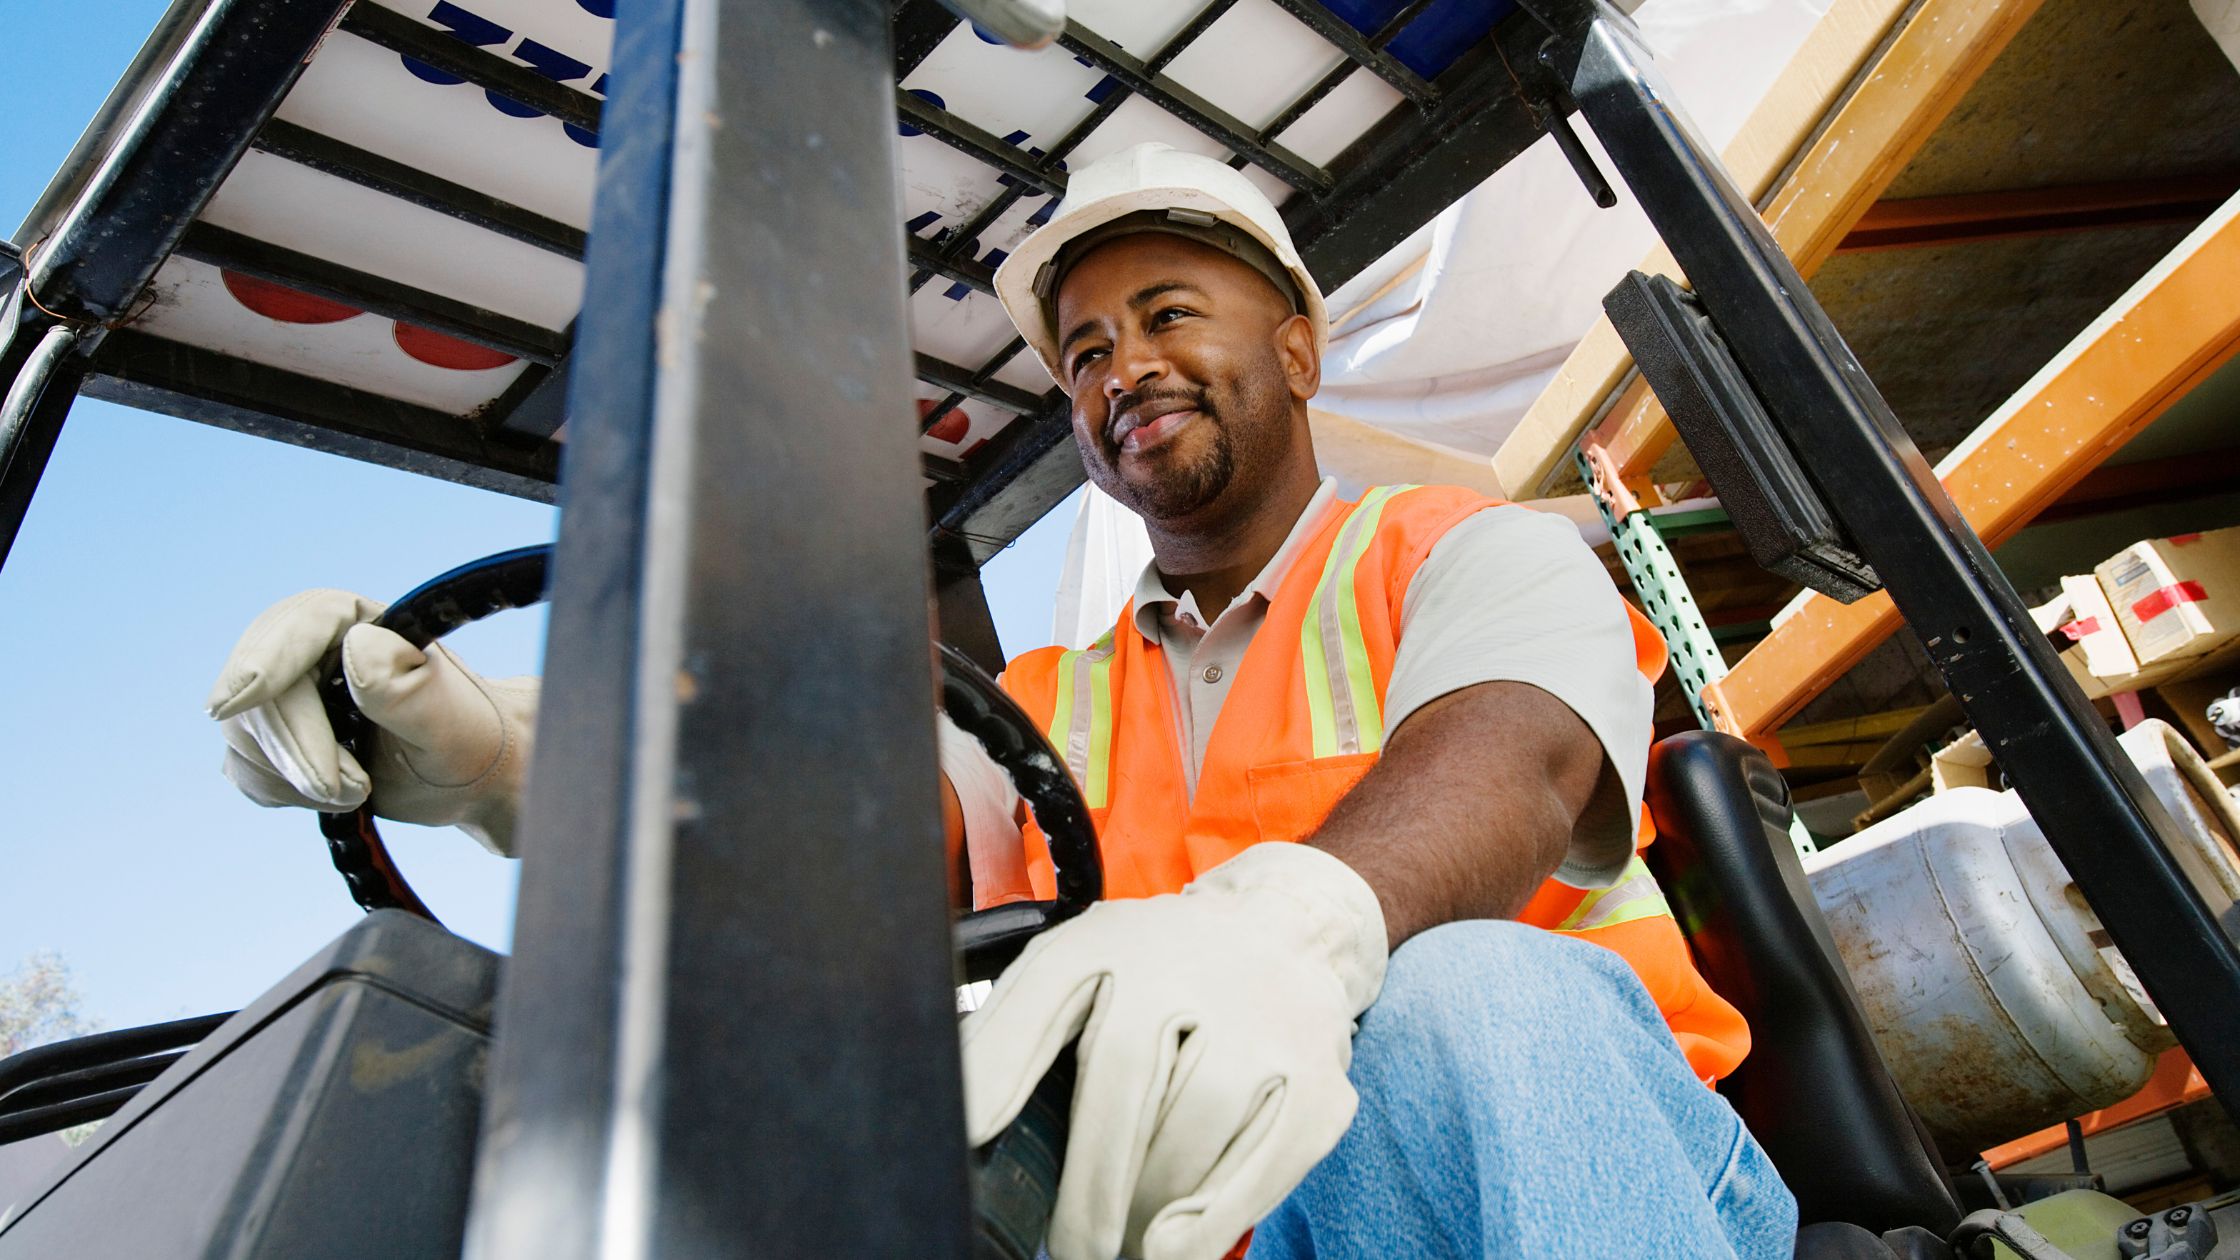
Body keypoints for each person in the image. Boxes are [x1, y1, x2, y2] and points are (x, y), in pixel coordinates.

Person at [208, 143, 1795, 1259]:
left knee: (1463, 1005)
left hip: (1586, 1170)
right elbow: (806, 838)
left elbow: (1512, 760)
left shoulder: (1470, 549)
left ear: (1300, 349)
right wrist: (495, 752)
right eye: (1088, 350)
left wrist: (1292, 931)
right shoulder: (1038, 705)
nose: (1124, 370)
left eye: (1172, 315)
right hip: (1219, 1227)